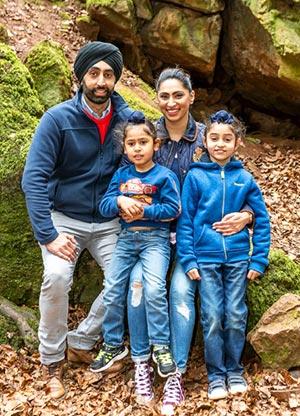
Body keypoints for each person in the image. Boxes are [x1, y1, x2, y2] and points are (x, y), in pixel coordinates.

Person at [125, 68, 254, 415]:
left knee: (181, 291)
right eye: (164, 96)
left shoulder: (208, 138)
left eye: (178, 95)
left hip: (192, 242)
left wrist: (249, 216)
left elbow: (238, 188)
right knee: (136, 285)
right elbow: (126, 182)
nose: (171, 103)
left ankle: (176, 374)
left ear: (191, 97)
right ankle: (142, 364)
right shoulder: (147, 137)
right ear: (156, 98)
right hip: (151, 237)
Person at [21, 41, 135, 399]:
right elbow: (33, 179)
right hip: (63, 219)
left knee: (131, 276)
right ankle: (52, 360)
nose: (101, 81)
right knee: (56, 276)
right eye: (94, 73)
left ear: (116, 79)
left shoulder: (128, 121)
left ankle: (82, 340)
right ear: (80, 76)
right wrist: (48, 234)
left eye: (108, 74)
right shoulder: (57, 119)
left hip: (108, 219)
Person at [176, 109, 271, 400]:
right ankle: (216, 374)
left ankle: (234, 370)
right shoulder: (195, 178)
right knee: (213, 315)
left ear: (237, 142)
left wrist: (258, 259)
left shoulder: (244, 177)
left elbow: (263, 220)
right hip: (206, 259)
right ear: (205, 141)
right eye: (214, 138)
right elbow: (185, 221)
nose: (220, 144)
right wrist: (189, 259)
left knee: (235, 313)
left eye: (226, 139)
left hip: (239, 259)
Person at [90, 111, 181, 387]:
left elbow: (173, 210)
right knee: (113, 288)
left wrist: (142, 210)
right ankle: (114, 343)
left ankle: (161, 346)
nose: (137, 148)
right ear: (124, 147)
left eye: (143, 142)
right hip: (126, 240)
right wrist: (119, 201)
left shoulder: (165, 176)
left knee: (153, 289)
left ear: (156, 144)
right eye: (132, 144)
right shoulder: (121, 175)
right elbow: (104, 207)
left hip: (156, 240)